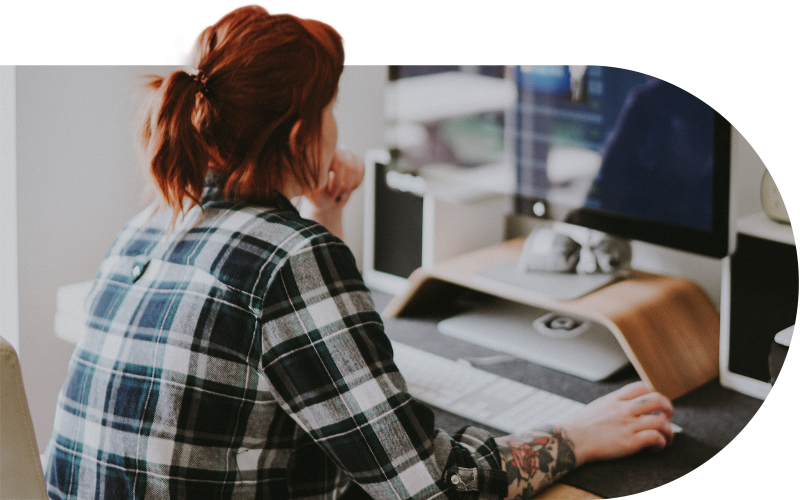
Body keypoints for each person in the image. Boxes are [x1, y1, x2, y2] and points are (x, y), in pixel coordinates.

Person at [43, 4, 675, 499]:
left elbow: (313, 360)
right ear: (300, 135)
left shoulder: (152, 222)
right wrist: (579, 436)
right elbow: (429, 486)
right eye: (331, 108)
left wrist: (326, 215)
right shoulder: (289, 258)